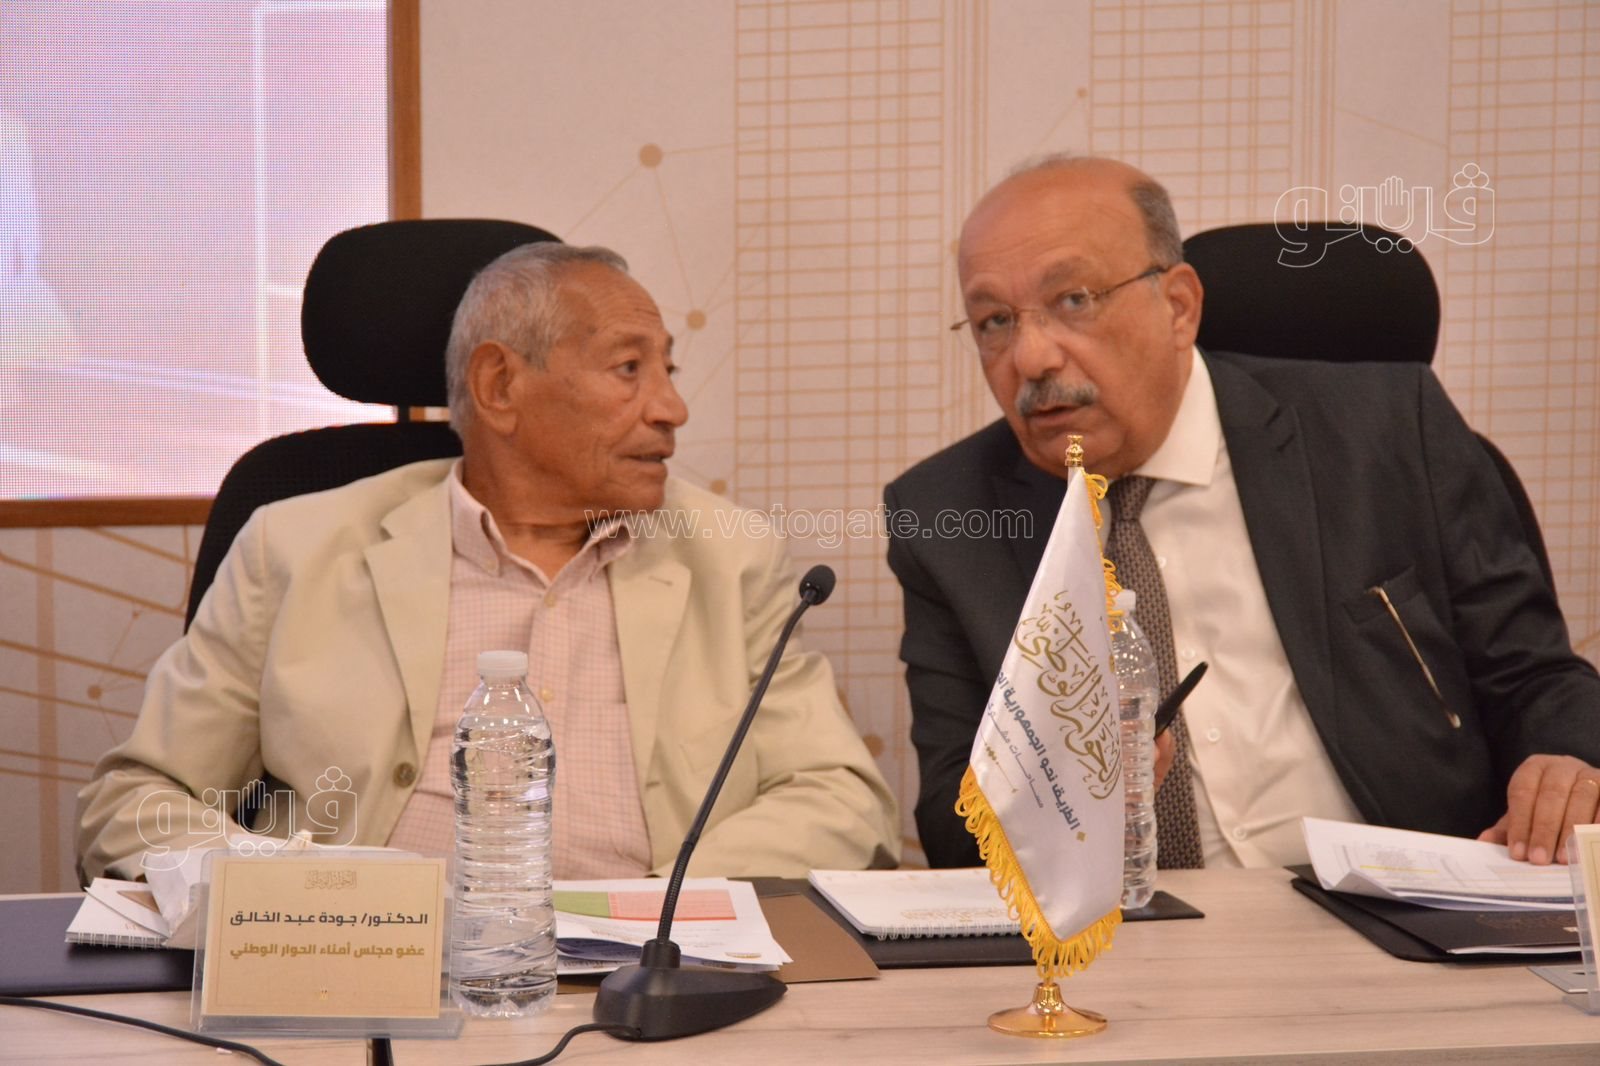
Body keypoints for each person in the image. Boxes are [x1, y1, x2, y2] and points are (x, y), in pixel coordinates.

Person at [79, 242, 899, 882]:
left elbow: (841, 800)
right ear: (500, 385)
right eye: (629, 369)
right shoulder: (294, 549)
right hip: (359, 983)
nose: (672, 408)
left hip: (648, 979)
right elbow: (134, 802)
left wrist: (663, 907)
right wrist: (310, 904)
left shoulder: (730, 556)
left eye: (667, 369)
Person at [886, 154, 1600, 871]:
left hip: (1402, 898)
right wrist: (1049, 797)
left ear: (1178, 307)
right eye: (995, 321)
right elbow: (952, 827)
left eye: (1074, 300)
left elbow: (1534, 681)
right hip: (1136, 924)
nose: (1031, 357)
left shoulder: (1384, 429)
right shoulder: (948, 517)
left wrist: (1568, 760)